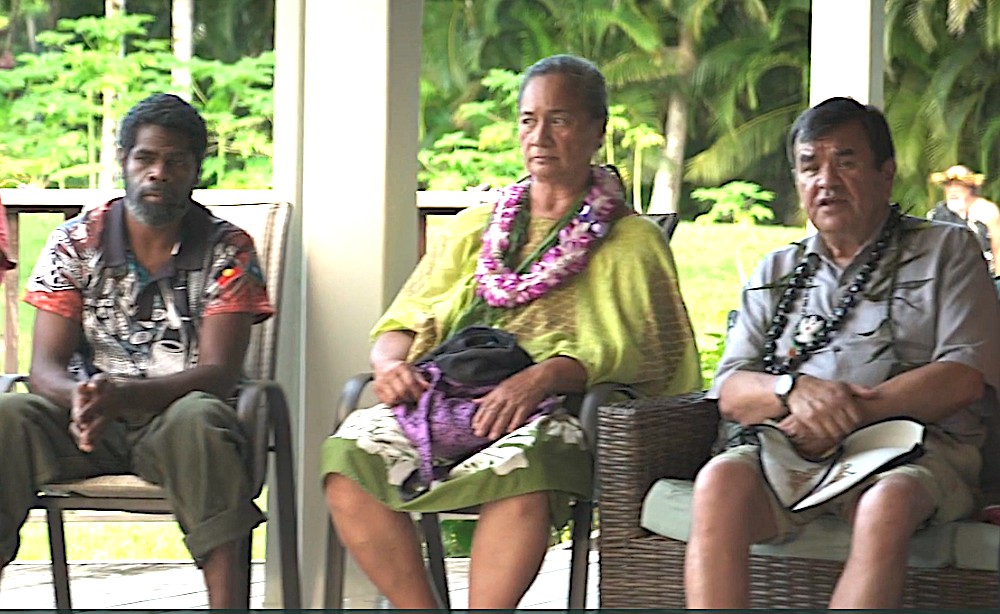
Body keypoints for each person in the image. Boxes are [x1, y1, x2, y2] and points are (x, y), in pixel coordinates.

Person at [322, 54, 702, 609]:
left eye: (561, 119)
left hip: (557, 413)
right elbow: (406, 316)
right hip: (444, 399)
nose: (540, 135)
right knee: (348, 456)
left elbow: (648, 356)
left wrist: (542, 378)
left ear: (597, 130)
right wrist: (389, 364)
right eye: (528, 120)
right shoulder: (478, 224)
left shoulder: (632, 242)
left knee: (526, 465)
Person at [684, 97, 1000, 608]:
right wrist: (792, 391)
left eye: (846, 162)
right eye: (810, 166)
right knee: (719, 480)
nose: (825, 180)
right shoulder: (776, 272)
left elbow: (963, 376)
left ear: (886, 173)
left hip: (917, 451)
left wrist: (848, 412)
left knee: (888, 505)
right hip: (793, 447)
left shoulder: (948, 250)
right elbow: (731, 391)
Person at [0, 93, 273, 607]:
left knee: (202, 421)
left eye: (175, 161)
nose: (158, 173)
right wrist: (84, 400)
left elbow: (218, 374)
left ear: (196, 169)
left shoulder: (227, 249)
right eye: (145, 158)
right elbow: (43, 370)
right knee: (7, 414)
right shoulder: (76, 241)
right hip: (84, 422)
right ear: (124, 161)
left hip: (175, 421)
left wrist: (122, 396)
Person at [928, 164, 1000, 275]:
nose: (953, 190)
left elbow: (998, 250)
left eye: (959, 185)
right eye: (949, 185)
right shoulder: (938, 214)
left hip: (983, 277)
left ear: (970, 188)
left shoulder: (987, 211)